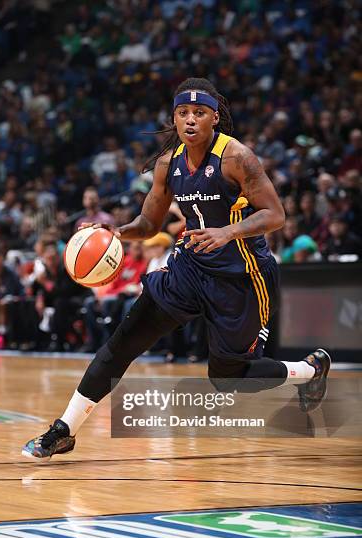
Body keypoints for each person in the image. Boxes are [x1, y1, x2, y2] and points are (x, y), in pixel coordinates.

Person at [22, 77, 331, 460]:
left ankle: (310, 369)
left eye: (198, 113)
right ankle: (64, 430)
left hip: (242, 276)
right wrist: (113, 231)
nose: (189, 120)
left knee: (226, 379)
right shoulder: (169, 163)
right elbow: (149, 224)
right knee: (123, 343)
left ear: (214, 118)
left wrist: (227, 232)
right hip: (189, 269)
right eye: (182, 112)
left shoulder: (237, 157)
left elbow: (276, 214)